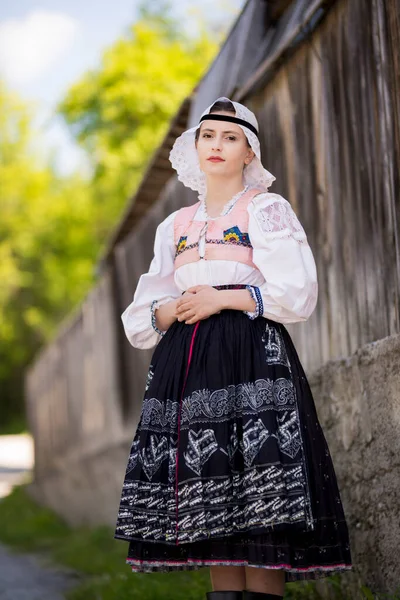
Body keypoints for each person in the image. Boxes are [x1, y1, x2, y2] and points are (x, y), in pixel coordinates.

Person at [114, 96, 352, 600]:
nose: (217, 146)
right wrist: (175, 308)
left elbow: (296, 293)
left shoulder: (265, 209)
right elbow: (141, 315)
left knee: (259, 507)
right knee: (213, 513)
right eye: (208, 136)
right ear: (195, 147)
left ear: (249, 152)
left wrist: (221, 298)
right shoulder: (173, 226)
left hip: (251, 360)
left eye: (231, 137)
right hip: (188, 367)